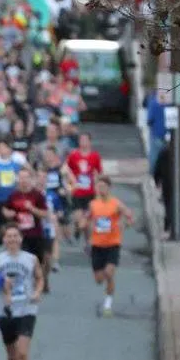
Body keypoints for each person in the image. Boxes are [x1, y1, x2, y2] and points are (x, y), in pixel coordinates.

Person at [0, 224, 45, 360]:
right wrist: (3, 289)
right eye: (9, 236)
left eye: (16, 236)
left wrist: (38, 291)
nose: (12, 239)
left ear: (21, 239)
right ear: (4, 239)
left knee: (22, 352)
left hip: (27, 309)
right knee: (11, 355)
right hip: (6, 311)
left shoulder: (30, 259)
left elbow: (39, 278)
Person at [86, 176, 134, 316]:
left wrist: (124, 223)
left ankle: (108, 303)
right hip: (97, 244)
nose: (101, 189)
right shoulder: (93, 204)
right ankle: (107, 280)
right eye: (98, 186)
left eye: (103, 186)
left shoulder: (116, 204)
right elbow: (87, 218)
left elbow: (129, 216)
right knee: (99, 279)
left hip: (113, 243)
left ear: (109, 188)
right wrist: (82, 223)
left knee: (109, 273)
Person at [66, 132, 103, 244]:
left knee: (88, 221)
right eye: (81, 140)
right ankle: (77, 227)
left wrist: (98, 190)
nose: (83, 142)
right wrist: (71, 182)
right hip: (77, 192)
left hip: (90, 193)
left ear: (90, 142)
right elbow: (67, 169)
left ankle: (88, 243)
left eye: (86, 140)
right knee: (79, 218)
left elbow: (99, 173)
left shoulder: (95, 156)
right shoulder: (74, 155)